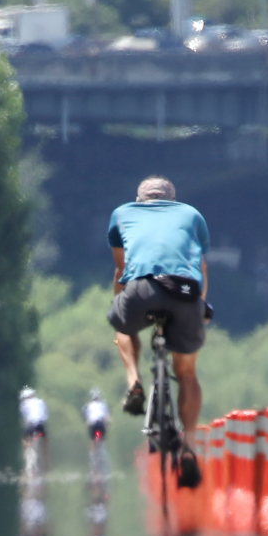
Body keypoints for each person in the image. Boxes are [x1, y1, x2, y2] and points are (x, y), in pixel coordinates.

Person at [106, 175, 209, 489]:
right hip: (185, 293)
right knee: (187, 373)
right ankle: (188, 446)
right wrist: (200, 309)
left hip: (141, 289)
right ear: (172, 201)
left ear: (139, 200)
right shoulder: (191, 215)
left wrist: (120, 305)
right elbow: (202, 268)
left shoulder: (122, 213)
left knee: (122, 326)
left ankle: (134, 382)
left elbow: (121, 270)